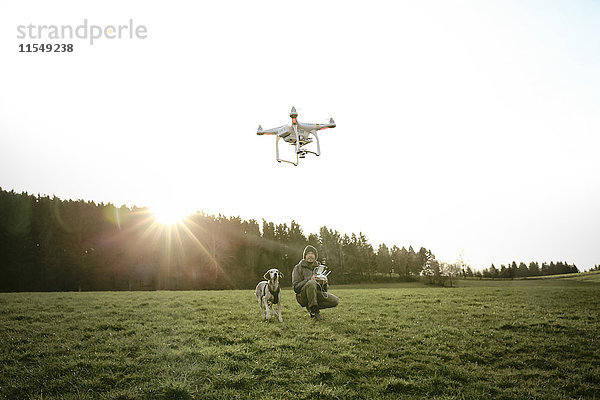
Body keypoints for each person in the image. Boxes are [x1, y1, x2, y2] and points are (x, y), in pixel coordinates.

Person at [292, 245, 339, 320]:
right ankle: (314, 312)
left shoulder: (320, 268)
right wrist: (309, 280)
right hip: (302, 296)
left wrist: (324, 282)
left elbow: (324, 290)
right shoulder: (298, 267)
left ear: (315, 256)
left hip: (316, 294)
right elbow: (296, 288)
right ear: (305, 256)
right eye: (308, 253)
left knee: (335, 300)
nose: (310, 255)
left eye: (312, 254)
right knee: (311, 283)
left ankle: (311, 306)